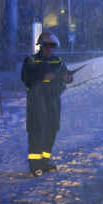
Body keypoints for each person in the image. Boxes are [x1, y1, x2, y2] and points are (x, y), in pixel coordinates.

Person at [21, 31, 73, 176]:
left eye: (53, 46)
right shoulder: (31, 60)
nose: (50, 49)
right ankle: (35, 164)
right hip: (36, 101)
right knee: (37, 130)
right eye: (47, 46)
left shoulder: (58, 61)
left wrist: (68, 78)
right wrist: (43, 77)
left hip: (53, 100)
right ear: (41, 46)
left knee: (51, 129)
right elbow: (26, 78)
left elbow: (66, 76)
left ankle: (45, 161)